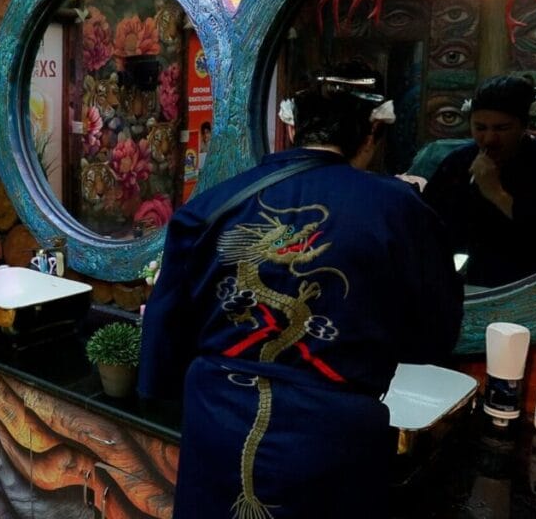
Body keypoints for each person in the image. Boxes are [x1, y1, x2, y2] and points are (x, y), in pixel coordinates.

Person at [138, 68, 463, 519]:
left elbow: (164, 333)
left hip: (218, 420)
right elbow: (435, 335)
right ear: (371, 133)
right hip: (333, 437)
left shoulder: (213, 204)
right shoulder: (401, 209)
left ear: (292, 129)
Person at [423, 76, 536, 288]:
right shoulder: (459, 161)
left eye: (502, 128)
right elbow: (429, 221)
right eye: (480, 127)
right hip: (467, 283)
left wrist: (496, 193)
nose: (489, 139)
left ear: (524, 125)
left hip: (531, 285)